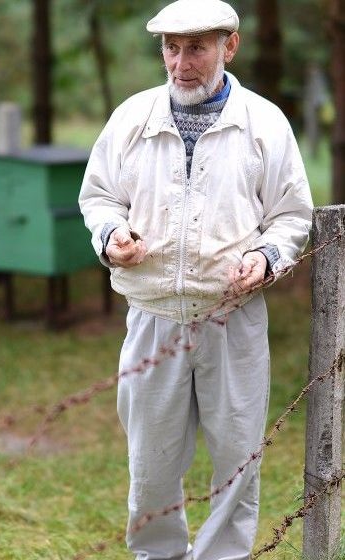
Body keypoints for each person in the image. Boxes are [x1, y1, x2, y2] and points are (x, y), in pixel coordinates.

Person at [78, 0, 313, 558]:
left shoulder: (264, 123)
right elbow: (99, 197)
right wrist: (111, 235)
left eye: (197, 48)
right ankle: (158, 554)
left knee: (237, 463)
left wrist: (267, 257)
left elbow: (291, 215)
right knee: (151, 466)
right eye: (170, 48)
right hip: (152, 319)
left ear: (230, 47)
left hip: (233, 321)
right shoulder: (132, 118)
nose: (180, 63)